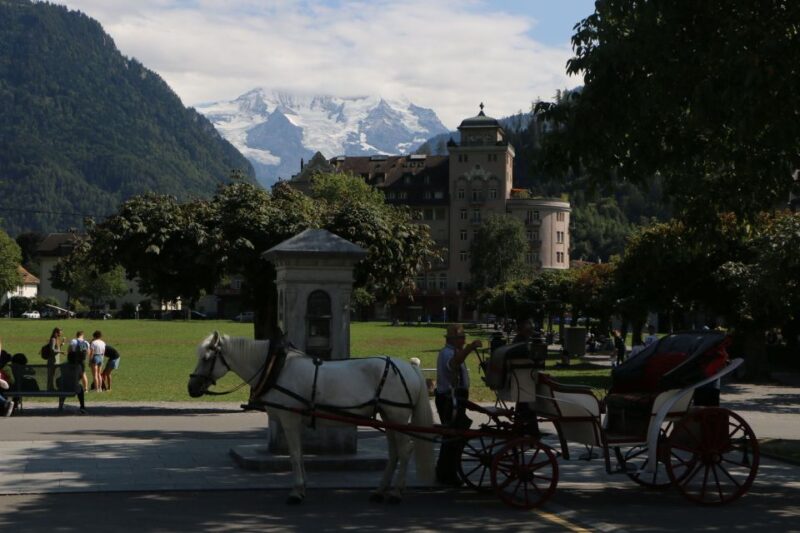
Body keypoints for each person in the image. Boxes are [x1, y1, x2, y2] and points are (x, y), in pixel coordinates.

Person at [435, 323, 482, 485]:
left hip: (456, 397)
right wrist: (470, 348)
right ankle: (448, 472)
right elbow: (454, 364)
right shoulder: (447, 353)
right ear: (454, 340)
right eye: (462, 338)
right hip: (449, 399)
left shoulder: (454, 351)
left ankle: (445, 471)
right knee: (454, 436)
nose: (464, 340)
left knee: (452, 436)